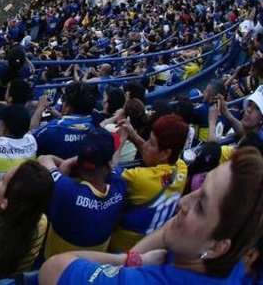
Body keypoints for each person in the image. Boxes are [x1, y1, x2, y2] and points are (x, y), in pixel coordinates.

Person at [40, 147, 263, 284]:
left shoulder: (142, 280)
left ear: (216, 248)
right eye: (201, 185)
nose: (184, 201)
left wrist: (128, 260)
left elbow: (53, 268)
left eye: (201, 206)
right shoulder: (242, 262)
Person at [37, 128, 127, 257]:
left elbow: (44, 159)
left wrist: (67, 163)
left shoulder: (65, 189)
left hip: (56, 264)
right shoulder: (120, 185)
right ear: (107, 165)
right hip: (94, 267)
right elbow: (113, 167)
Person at [109, 113, 190, 252]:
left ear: (165, 153)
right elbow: (151, 154)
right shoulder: (182, 168)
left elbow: (109, 170)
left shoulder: (140, 178)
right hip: (150, 248)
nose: (145, 145)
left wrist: (122, 139)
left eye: (151, 142)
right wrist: (132, 133)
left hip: (121, 250)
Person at [33, 81, 100, 159]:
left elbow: (30, 138)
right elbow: (75, 124)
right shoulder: (96, 124)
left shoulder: (51, 129)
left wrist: (40, 108)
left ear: (67, 105)